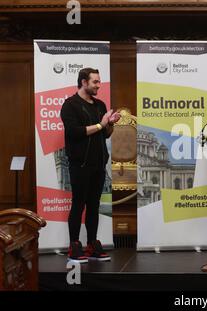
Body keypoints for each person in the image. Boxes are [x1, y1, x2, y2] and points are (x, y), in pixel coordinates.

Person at [61, 68, 120, 263]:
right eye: (95, 82)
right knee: (78, 204)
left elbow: (105, 134)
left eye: (99, 81)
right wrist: (101, 125)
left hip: (98, 164)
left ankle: (92, 244)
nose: (98, 85)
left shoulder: (100, 105)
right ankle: (74, 245)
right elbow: (74, 132)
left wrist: (110, 124)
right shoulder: (70, 105)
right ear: (84, 82)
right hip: (80, 164)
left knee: (94, 205)